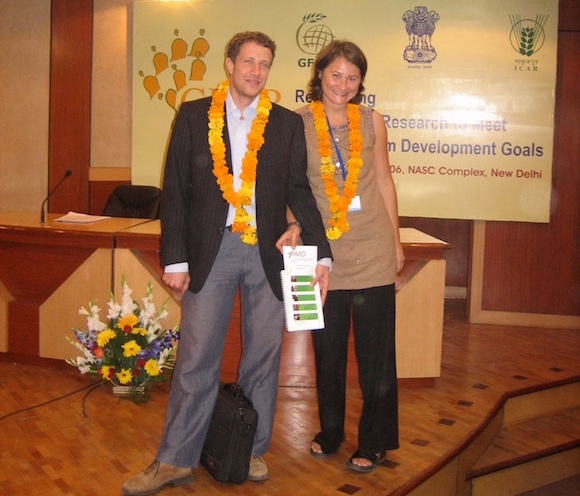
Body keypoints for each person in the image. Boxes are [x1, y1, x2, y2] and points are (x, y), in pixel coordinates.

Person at [122, 31, 332, 496]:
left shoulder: (283, 124)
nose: (256, 72)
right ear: (230, 64)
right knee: (197, 357)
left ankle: (250, 449)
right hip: (209, 251)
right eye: (249, 62)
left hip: (268, 253)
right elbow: (175, 189)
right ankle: (175, 459)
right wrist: (175, 258)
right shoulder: (196, 116)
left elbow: (299, 190)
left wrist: (323, 253)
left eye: (264, 65)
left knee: (262, 355)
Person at [292, 40, 405, 473]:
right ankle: (331, 431)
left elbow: (385, 181)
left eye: (352, 77)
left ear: (361, 83)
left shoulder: (371, 121)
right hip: (322, 254)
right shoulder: (296, 123)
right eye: (335, 74)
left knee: (377, 355)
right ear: (319, 74)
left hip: (373, 246)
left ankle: (375, 441)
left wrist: (395, 241)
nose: (343, 84)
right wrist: (293, 226)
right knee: (329, 350)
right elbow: (291, 188)